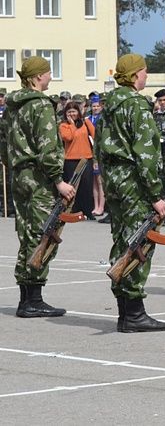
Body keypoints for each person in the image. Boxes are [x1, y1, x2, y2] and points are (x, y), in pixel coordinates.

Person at [95, 54, 165, 332]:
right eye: (144, 71)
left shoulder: (109, 107)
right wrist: (155, 195)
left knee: (122, 240)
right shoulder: (137, 105)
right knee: (140, 244)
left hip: (115, 182)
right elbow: (146, 154)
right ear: (135, 75)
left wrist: (107, 180)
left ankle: (125, 311)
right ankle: (134, 311)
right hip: (135, 184)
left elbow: (99, 150)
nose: (147, 76)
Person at [0, 56, 77, 318]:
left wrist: (13, 165)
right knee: (44, 233)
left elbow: (3, 142)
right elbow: (47, 148)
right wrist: (58, 180)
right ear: (37, 77)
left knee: (27, 234)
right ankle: (33, 298)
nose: (50, 77)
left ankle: (27, 297)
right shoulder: (41, 105)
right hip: (40, 177)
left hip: (18, 175)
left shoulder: (12, 106)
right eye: (47, 73)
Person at [58, 101, 96, 219]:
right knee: (72, 187)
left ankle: (88, 211)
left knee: (87, 186)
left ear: (78, 112)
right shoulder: (63, 125)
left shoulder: (86, 122)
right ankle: (74, 210)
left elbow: (95, 136)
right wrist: (72, 124)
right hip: (70, 159)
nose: (72, 114)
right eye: (69, 112)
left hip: (86, 158)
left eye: (74, 111)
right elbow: (68, 137)